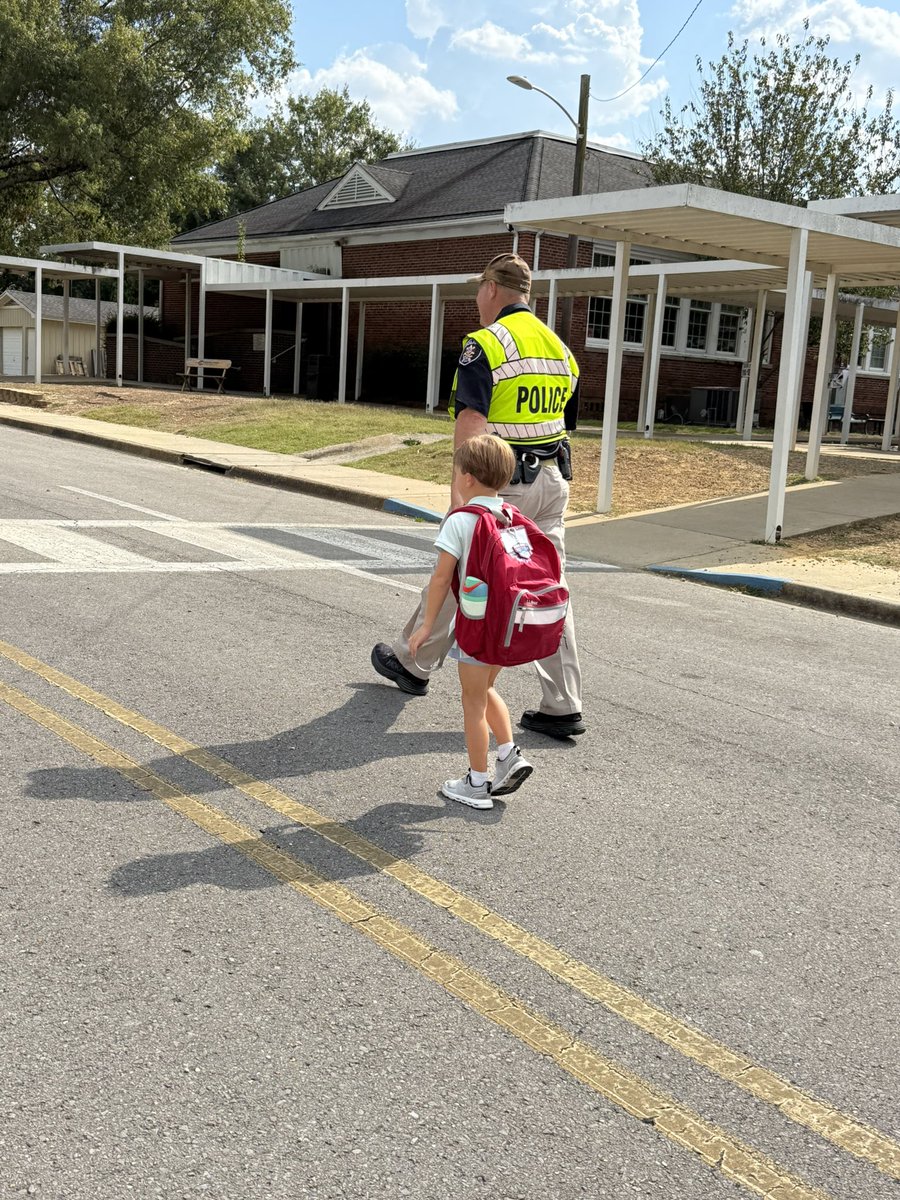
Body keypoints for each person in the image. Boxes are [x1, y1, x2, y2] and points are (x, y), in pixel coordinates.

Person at [372, 251, 585, 739]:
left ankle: (414, 661)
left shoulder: (485, 344)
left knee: (460, 574)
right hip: (552, 480)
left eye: (478, 289)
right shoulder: (560, 349)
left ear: (492, 288)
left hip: (500, 483)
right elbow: (562, 422)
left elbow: (472, 423)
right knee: (548, 585)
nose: (476, 299)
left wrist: (460, 498)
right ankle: (562, 702)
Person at [408, 434, 534, 810]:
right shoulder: (511, 516)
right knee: (486, 688)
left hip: (477, 625)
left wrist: (427, 626)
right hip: (507, 624)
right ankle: (509, 753)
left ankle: (477, 783)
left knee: (472, 700)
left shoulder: (461, 520)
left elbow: (441, 579)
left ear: (466, 478)